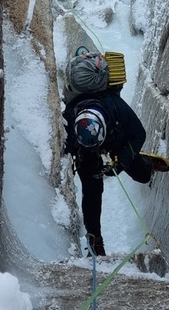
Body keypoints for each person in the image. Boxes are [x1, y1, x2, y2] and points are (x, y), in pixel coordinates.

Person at [62, 85, 153, 257]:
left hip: (115, 139)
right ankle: (95, 242)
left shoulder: (116, 107)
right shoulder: (70, 119)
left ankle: (145, 162)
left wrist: (122, 163)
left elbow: (139, 134)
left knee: (143, 175)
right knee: (92, 191)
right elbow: (66, 148)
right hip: (86, 151)